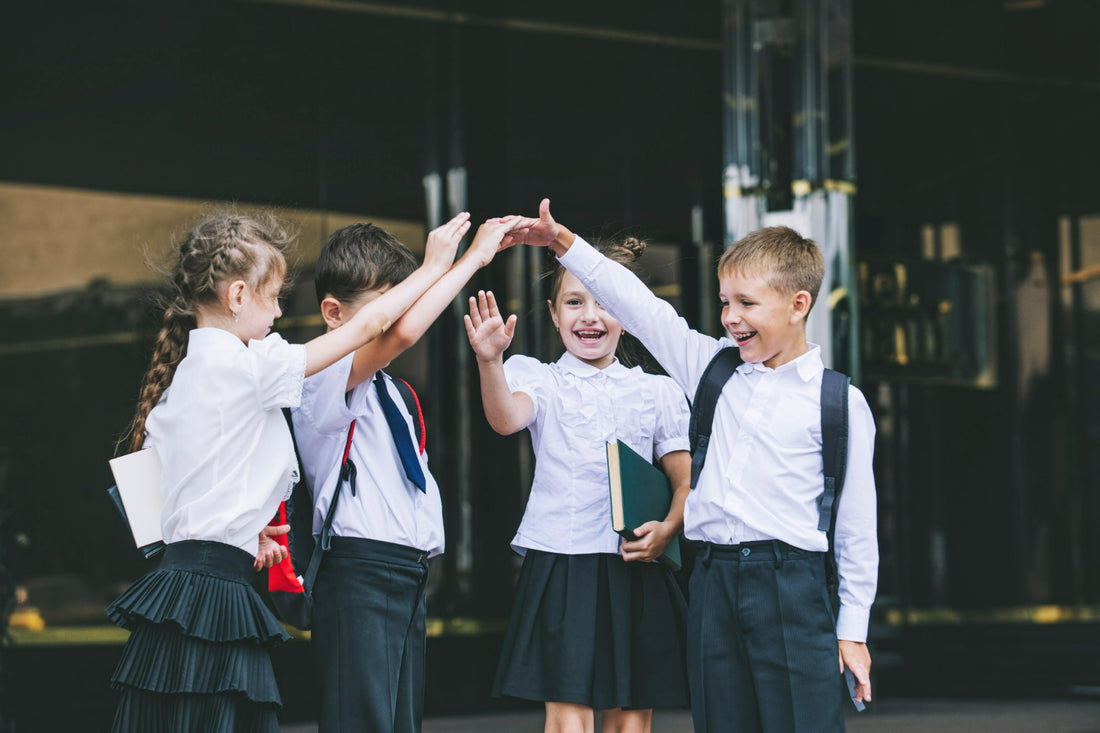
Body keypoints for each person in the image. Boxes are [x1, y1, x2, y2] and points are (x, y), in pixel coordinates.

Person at [516, 199, 878, 733]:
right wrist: (564, 243)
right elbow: (640, 307)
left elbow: (855, 527)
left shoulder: (839, 403)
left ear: (798, 304)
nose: (731, 316)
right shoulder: (712, 368)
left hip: (793, 585)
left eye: (747, 303)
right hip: (713, 581)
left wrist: (853, 630)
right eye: (725, 301)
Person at [106, 209, 469, 733]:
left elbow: (153, 500)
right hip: (214, 594)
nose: (279, 312)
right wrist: (434, 266)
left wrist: (232, 531)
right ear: (236, 297)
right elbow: (371, 327)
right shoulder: (250, 366)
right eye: (273, 295)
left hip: (179, 589)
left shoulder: (183, 378)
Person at [289, 213, 524, 733]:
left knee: (399, 722)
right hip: (358, 571)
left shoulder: (392, 391)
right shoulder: (321, 376)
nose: (400, 317)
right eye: (389, 305)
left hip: (407, 571)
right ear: (333, 313)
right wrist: (466, 261)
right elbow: (402, 334)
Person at [463, 236, 692, 733]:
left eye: (606, 303)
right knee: (569, 722)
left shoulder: (659, 391)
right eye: (574, 302)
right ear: (552, 313)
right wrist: (489, 362)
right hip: (563, 563)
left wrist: (669, 529)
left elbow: (684, 480)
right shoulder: (536, 377)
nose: (589, 316)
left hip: (637, 564)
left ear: (628, 313)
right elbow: (505, 419)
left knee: (629, 722)